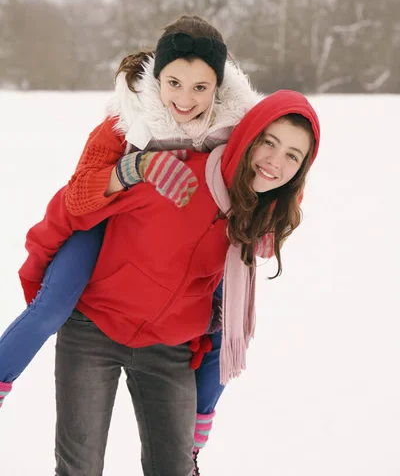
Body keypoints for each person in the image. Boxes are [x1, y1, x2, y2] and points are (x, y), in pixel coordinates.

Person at [10, 89, 320, 475]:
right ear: (247, 138)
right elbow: (73, 210)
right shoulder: (176, 173)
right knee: (79, 469)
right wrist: (43, 287)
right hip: (93, 330)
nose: (276, 161)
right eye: (268, 143)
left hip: (169, 349)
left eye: (293, 155)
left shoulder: (257, 220)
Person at [0, 15, 262, 469]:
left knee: (176, 461)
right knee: (78, 464)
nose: (185, 99)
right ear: (156, 77)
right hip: (96, 316)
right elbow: (78, 198)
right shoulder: (123, 127)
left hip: (170, 337)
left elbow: (274, 174)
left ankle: (199, 425)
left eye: (201, 88)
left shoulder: (230, 143)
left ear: (218, 87)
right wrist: (132, 170)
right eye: (174, 82)